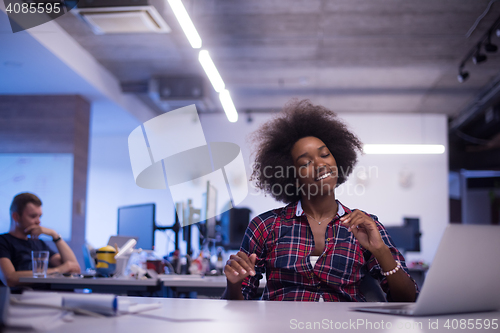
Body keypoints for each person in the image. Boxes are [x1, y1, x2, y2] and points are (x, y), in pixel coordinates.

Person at [223, 99, 418, 302]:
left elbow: (409, 300)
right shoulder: (265, 227)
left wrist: (380, 251)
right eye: (306, 162)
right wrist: (234, 284)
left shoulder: (365, 226)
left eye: (325, 154)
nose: (320, 164)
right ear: (291, 175)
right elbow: (237, 306)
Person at [0, 193, 81, 287]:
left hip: (50, 296)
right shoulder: (3, 242)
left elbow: (74, 268)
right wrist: (58, 270)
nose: (38, 221)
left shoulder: (39, 243)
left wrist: (54, 235)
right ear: (16, 217)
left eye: (40, 216)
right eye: (33, 216)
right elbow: (10, 278)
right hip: (23, 298)